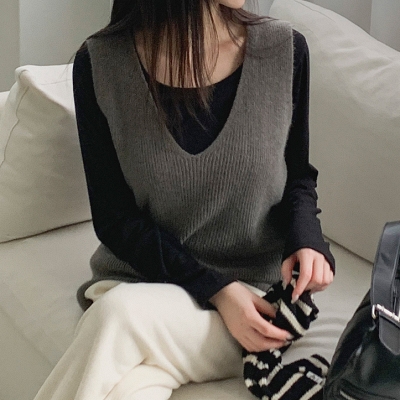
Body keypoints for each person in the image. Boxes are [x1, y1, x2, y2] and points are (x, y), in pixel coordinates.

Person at [34, 0, 335, 399]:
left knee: (116, 317)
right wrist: (216, 288)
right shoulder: (102, 63)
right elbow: (114, 219)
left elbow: (298, 176)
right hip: (144, 280)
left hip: (253, 303)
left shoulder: (283, 51)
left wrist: (308, 240)